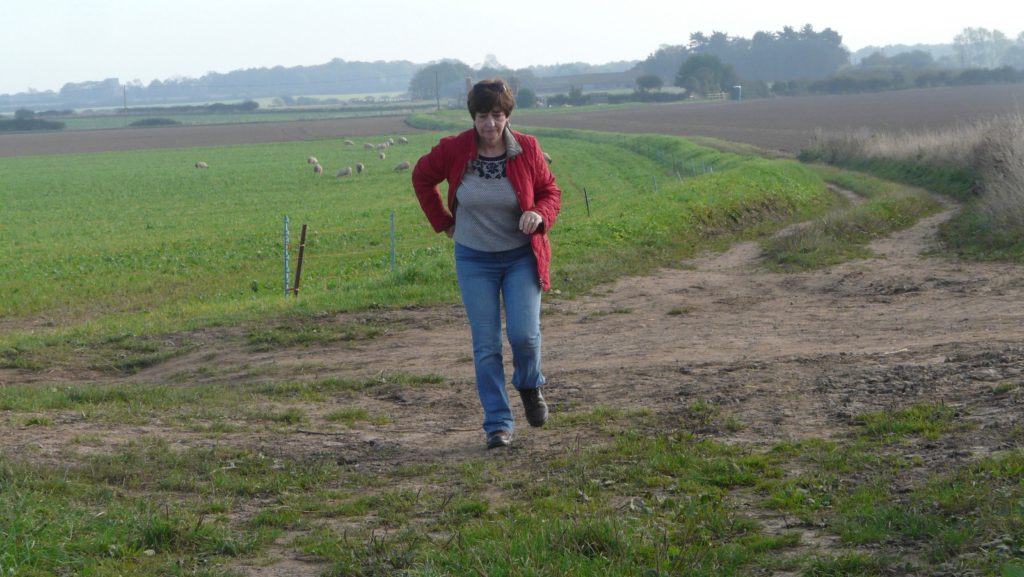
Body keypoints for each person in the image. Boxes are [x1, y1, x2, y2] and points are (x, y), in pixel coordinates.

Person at [412, 78, 562, 450]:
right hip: (474, 258)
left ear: (508, 115)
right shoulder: (454, 149)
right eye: (482, 116)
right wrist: (444, 223)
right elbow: (422, 178)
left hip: (519, 257)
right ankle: (498, 424)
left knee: (524, 336)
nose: (490, 124)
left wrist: (539, 215)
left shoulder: (526, 148)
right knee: (486, 345)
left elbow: (550, 192)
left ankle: (529, 384)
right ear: (473, 117)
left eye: (497, 115)